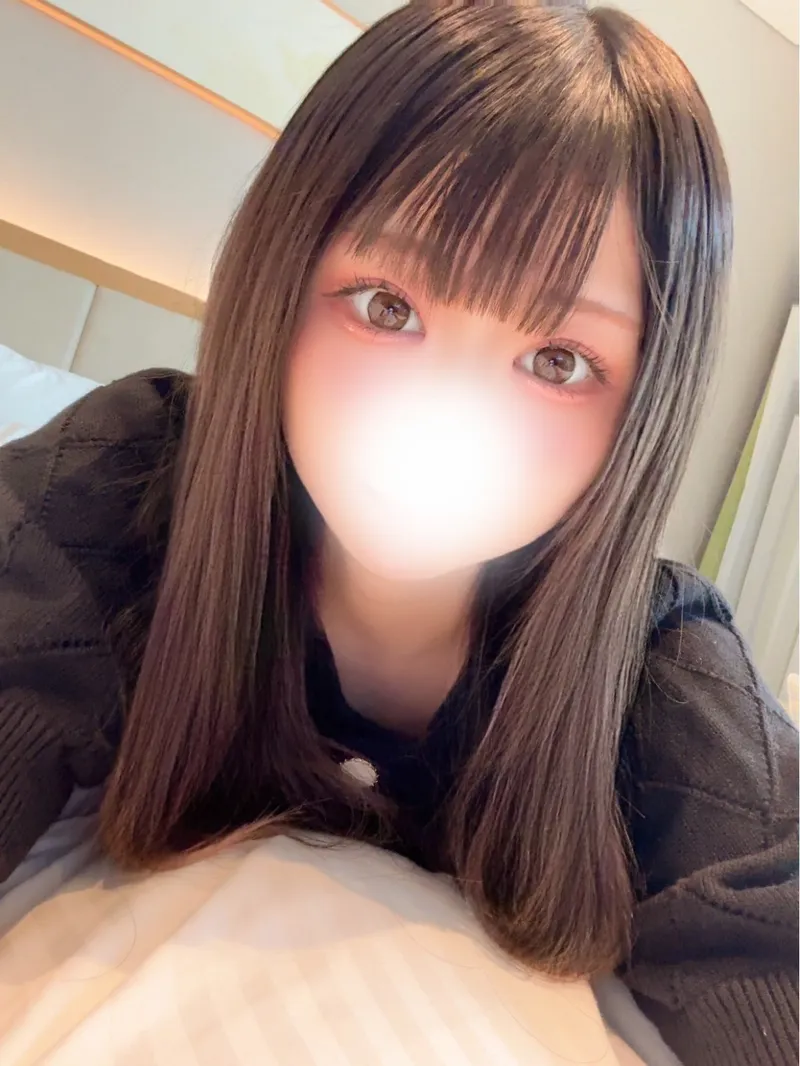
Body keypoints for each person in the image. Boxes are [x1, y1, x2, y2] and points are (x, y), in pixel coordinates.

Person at [0, 2, 796, 1063]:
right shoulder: (121, 490)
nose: (444, 411)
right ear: (282, 281)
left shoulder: (657, 674)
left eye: (557, 361)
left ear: (639, 409)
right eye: (385, 306)